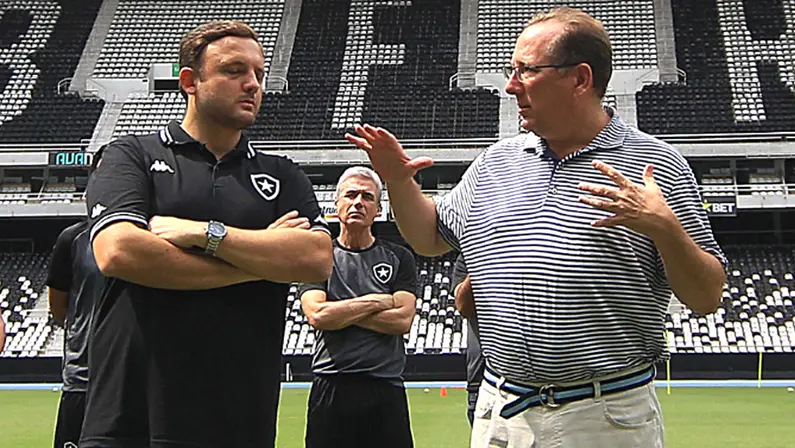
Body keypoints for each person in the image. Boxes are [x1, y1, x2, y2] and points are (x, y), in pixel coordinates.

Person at [346, 7, 726, 448]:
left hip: (602, 418)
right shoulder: (495, 162)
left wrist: (665, 228)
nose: (511, 85)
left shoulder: (656, 165)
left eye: (526, 70)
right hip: (501, 411)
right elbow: (429, 237)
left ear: (580, 79)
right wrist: (399, 180)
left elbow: (706, 297)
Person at [81, 20, 333, 448]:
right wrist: (262, 262)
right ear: (189, 82)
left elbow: (316, 259)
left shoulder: (281, 174)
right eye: (234, 71)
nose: (252, 84)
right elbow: (119, 251)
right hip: (132, 418)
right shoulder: (132, 155)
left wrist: (205, 234)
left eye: (258, 73)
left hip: (240, 419)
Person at [299, 166, 417, 448]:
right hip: (332, 384)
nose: (358, 203)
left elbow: (402, 320)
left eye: (367, 197)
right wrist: (377, 301)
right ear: (336, 204)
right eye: (350, 195)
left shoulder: (400, 257)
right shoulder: (318, 257)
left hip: (384, 386)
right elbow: (318, 315)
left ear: (378, 209)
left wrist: (340, 311)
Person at [46, 149, 105, 448]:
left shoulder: (154, 237)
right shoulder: (72, 240)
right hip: (83, 381)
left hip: (137, 381)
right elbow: (60, 309)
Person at [451, 254, 485, 427]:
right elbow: (463, 306)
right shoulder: (467, 257)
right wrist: (482, 262)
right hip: (480, 380)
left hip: (525, 380)